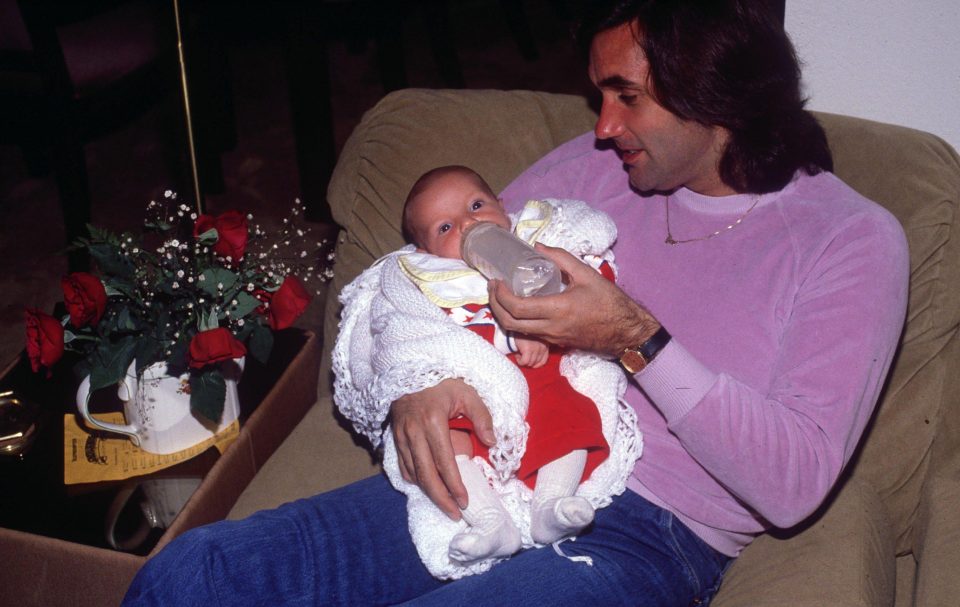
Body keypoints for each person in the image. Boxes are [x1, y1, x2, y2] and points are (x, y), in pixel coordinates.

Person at [122, 1, 909, 605]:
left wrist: (634, 335)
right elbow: (398, 288)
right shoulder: (597, 169)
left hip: (647, 533)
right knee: (192, 577)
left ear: (719, 95)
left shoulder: (851, 241)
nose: (602, 126)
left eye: (625, 96)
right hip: (486, 472)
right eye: (598, 94)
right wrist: (409, 384)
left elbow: (794, 481)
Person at [336, 164, 639, 579]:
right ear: (424, 253)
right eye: (445, 227)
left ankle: (552, 503)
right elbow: (406, 333)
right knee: (446, 437)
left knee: (570, 416)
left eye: (477, 205)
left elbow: (591, 291)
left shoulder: (537, 242)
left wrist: (545, 323)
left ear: (501, 204)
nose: (468, 224)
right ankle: (489, 520)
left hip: (544, 375)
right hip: (471, 382)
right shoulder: (431, 279)